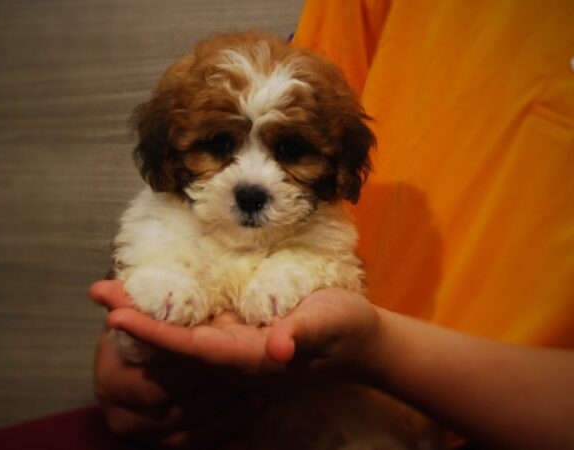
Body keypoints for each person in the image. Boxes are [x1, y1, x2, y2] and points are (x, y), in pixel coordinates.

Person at [91, 1, 574, 449]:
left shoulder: (324, 232)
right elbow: (144, 284)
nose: (252, 182)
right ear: (169, 151)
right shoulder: (160, 220)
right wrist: (142, 323)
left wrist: (299, 280)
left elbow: (325, 269)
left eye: (290, 151)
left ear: (339, 162)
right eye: (219, 146)